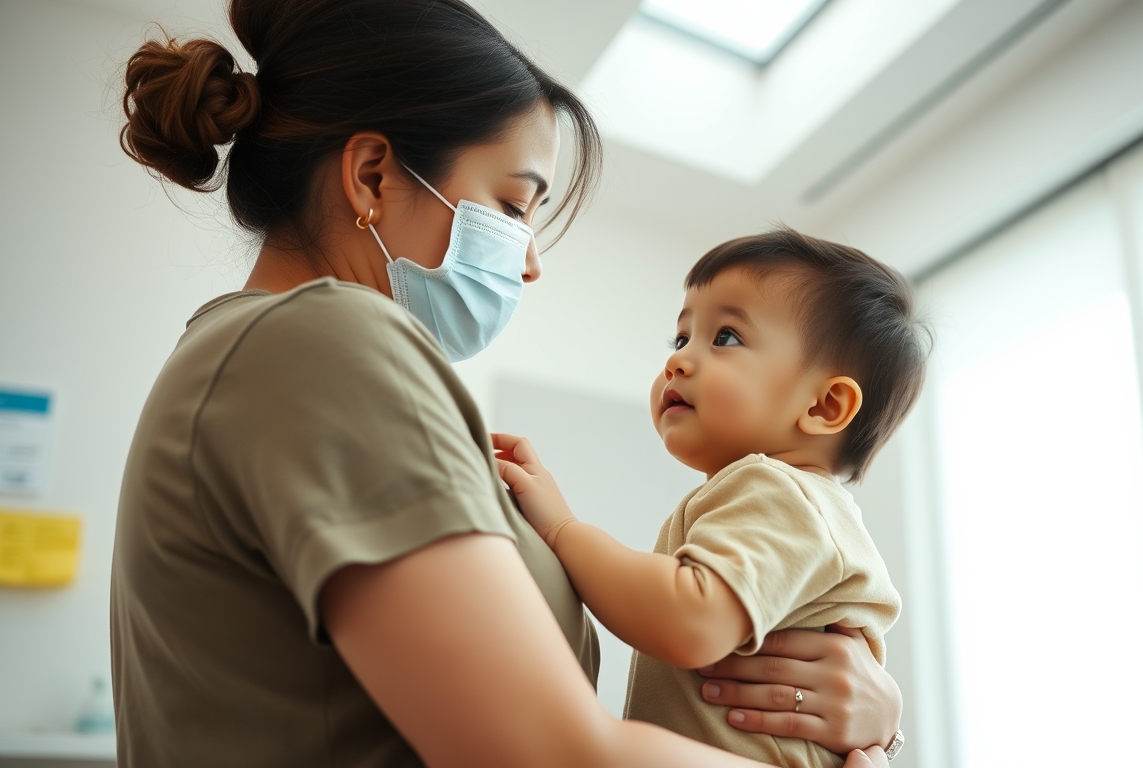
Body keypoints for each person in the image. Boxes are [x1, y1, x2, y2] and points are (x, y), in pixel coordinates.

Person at [108, 1, 903, 766]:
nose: (529, 260)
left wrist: (868, 713)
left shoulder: (274, 353)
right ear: (374, 176)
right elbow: (548, 753)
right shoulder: (321, 340)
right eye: (514, 205)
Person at [494, 229, 927, 767]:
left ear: (825, 405)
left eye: (724, 338)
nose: (678, 362)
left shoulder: (779, 491)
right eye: (680, 339)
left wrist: (562, 529)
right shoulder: (780, 501)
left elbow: (689, 619)